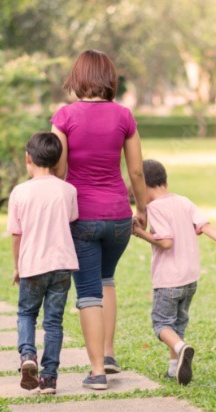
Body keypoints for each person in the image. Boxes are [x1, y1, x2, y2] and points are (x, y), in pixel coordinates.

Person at [51, 50, 147, 390]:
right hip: (120, 217)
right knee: (107, 279)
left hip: (83, 218)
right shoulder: (124, 115)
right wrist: (143, 210)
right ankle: (107, 353)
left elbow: (59, 171)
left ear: (78, 79)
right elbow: (136, 171)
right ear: (110, 79)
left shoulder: (64, 116)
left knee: (89, 291)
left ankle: (97, 372)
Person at [132, 160, 216, 385]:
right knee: (177, 326)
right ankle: (174, 369)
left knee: (162, 324)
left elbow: (165, 242)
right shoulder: (184, 201)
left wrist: (139, 233)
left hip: (168, 280)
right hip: (190, 279)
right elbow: (205, 226)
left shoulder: (155, 208)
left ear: (144, 186)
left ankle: (181, 347)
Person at [7, 132, 79, 395]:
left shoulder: (19, 192)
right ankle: (49, 379)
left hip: (33, 266)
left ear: (28, 158)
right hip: (62, 266)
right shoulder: (68, 190)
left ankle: (28, 355)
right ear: (57, 159)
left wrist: (17, 266)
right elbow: (71, 221)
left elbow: (17, 234)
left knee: (27, 313)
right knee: (53, 322)